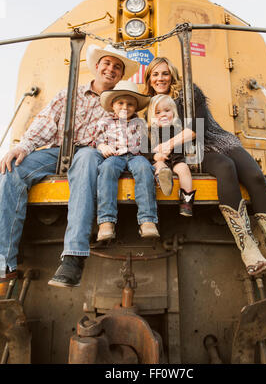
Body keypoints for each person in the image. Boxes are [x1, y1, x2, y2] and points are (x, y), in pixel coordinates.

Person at [143, 56, 266, 280]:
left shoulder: (189, 91)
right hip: (190, 152)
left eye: (165, 73)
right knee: (226, 168)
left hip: (214, 139)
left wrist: (166, 144)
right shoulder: (148, 105)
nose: (161, 78)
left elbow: (199, 126)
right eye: (155, 74)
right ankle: (249, 251)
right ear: (149, 79)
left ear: (172, 75)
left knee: (254, 175)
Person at [0, 44, 139, 288]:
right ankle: (5, 263)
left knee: (85, 161)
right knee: (13, 170)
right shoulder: (68, 94)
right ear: (96, 67)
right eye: (107, 63)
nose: (111, 69)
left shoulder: (121, 103)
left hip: (92, 151)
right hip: (58, 150)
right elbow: (45, 122)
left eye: (117, 67)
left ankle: (74, 257)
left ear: (121, 75)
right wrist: (23, 147)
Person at [95, 80, 159, 241]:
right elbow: (97, 139)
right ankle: (106, 221)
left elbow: (145, 144)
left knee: (145, 169)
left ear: (136, 107)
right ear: (112, 105)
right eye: (121, 103)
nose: (125, 107)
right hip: (114, 156)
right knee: (106, 169)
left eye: (130, 104)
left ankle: (147, 220)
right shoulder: (105, 122)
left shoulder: (140, 122)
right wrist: (102, 146)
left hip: (136, 156)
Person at [146, 93, 196, 216]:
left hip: (176, 160)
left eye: (167, 110)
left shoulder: (178, 129)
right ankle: (164, 180)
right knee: (159, 165)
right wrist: (155, 156)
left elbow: (186, 144)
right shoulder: (150, 132)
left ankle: (186, 202)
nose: (163, 114)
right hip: (160, 160)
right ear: (152, 115)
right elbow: (144, 150)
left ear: (173, 112)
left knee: (184, 169)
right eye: (158, 112)